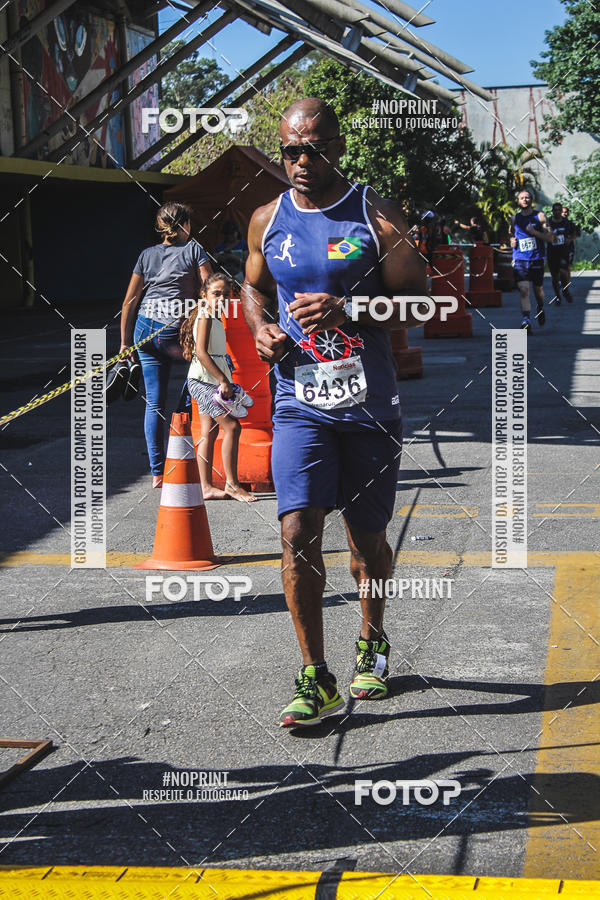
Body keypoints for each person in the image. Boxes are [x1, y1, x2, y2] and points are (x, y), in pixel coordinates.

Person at [241, 97, 427, 728]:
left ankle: (371, 638)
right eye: (289, 150)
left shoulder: (377, 217)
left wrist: (355, 310)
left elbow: (421, 304)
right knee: (297, 534)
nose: (299, 161)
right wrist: (262, 325)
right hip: (297, 402)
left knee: (367, 541)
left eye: (312, 149)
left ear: (338, 148)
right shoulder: (267, 218)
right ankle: (314, 676)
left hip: (369, 406)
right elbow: (253, 288)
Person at [120, 202, 212, 487]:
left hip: (144, 329)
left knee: (153, 402)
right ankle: (184, 418)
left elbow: (130, 301)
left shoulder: (146, 255)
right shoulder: (194, 250)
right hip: (174, 329)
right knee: (204, 374)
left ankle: (158, 472)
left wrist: (125, 343)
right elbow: (210, 291)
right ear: (184, 224)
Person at [179, 272, 255, 503]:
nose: (221, 298)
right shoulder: (205, 316)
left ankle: (205, 487)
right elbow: (201, 352)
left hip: (209, 381)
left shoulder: (214, 316)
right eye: (216, 293)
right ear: (204, 294)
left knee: (209, 433)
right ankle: (232, 484)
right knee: (232, 427)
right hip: (204, 383)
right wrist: (223, 380)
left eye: (226, 294)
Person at [509, 188, 555, 334]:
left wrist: (534, 232)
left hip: (536, 259)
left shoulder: (540, 216)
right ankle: (526, 320)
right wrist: (512, 241)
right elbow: (511, 234)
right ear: (518, 201)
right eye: (522, 198)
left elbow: (550, 238)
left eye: (527, 197)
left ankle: (540, 307)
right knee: (524, 290)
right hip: (520, 259)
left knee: (538, 290)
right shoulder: (514, 218)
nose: (525, 200)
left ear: (532, 200)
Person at [547, 202, 576, 304]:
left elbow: (576, 233)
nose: (558, 212)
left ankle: (565, 290)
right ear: (553, 211)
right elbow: (543, 233)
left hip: (564, 251)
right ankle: (557, 296)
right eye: (556, 210)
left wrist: (570, 239)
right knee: (555, 277)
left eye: (559, 210)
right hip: (552, 252)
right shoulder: (548, 222)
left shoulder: (567, 222)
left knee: (564, 272)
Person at [215, 221, 249, 286]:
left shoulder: (243, 245)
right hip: (224, 280)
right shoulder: (219, 247)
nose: (229, 236)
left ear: (236, 232)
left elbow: (247, 265)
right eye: (226, 234)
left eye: (231, 233)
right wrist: (220, 259)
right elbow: (214, 264)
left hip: (241, 280)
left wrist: (234, 258)